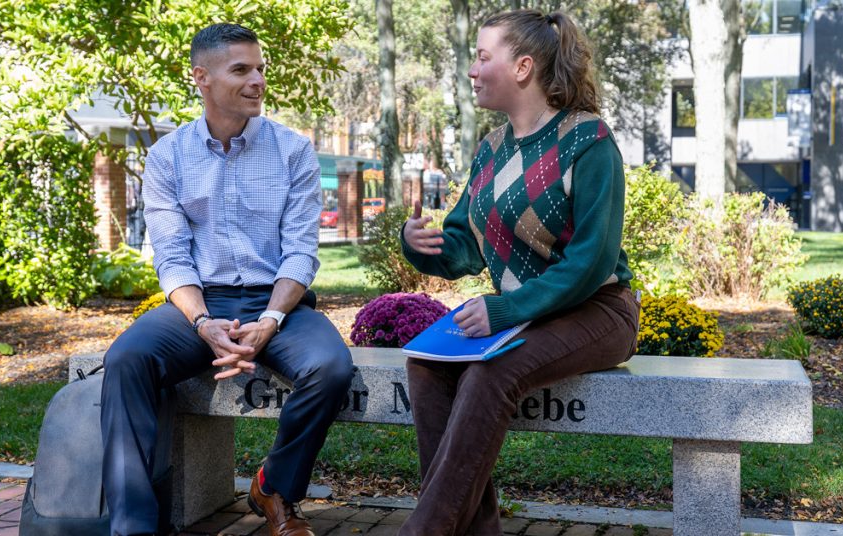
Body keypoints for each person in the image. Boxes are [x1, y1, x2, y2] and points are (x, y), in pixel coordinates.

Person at [100, 23, 354, 536]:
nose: (257, 80)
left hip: (279, 301)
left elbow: (301, 252)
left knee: (330, 367)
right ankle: (131, 526)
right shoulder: (168, 156)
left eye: (260, 68)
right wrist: (202, 323)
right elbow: (171, 257)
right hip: (198, 303)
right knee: (126, 359)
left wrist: (271, 319)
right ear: (202, 78)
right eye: (241, 70)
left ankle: (275, 488)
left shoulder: (294, 151)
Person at [398, 10, 640, 536]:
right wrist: (419, 246)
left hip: (598, 310)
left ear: (524, 67)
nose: (472, 69)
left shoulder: (588, 141)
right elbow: (462, 250)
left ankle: (426, 530)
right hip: (528, 317)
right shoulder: (490, 149)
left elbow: (593, 262)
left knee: (490, 372)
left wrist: (507, 309)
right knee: (427, 367)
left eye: (483, 57)